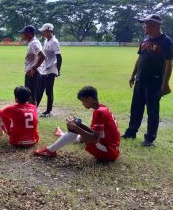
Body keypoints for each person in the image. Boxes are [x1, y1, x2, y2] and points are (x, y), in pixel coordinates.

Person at [121, 14, 173, 147]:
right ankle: (131, 132)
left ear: (155, 25)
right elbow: (139, 59)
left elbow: (169, 64)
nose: (144, 26)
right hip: (140, 80)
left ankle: (150, 138)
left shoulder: (166, 41)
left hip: (155, 81)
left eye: (146, 24)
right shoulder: (145, 40)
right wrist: (133, 75)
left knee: (152, 110)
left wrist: (165, 83)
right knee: (136, 108)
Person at [34, 86, 121, 162]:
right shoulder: (103, 108)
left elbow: (95, 139)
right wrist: (78, 125)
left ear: (90, 99)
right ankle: (60, 137)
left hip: (108, 153)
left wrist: (76, 127)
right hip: (113, 149)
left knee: (75, 127)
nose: (82, 104)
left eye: (83, 101)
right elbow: (96, 133)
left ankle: (50, 150)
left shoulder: (99, 112)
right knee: (77, 124)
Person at [36, 23, 63, 117]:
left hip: (51, 70)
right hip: (44, 69)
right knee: (39, 90)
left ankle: (48, 111)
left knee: (48, 91)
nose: (42, 33)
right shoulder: (46, 40)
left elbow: (59, 57)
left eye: (44, 31)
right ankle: (34, 108)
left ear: (49, 30)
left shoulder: (54, 42)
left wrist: (58, 70)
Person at [20, 25, 45, 105]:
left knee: (31, 96)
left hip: (33, 74)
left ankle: (32, 115)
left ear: (29, 34)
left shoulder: (34, 43)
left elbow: (42, 56)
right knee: (30, 96)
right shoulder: (32, 42)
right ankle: (31, 114)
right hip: (33, 73)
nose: (22, 35)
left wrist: (34, 68)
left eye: (24, 33)